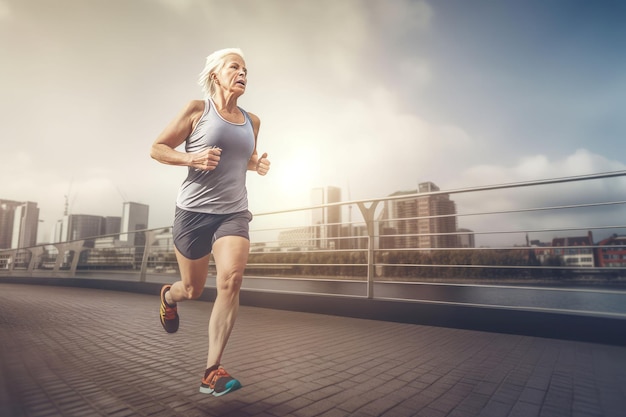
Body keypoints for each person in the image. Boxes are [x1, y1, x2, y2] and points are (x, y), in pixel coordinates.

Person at [150, 47, 270, 397]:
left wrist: (256, 165)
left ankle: (211, 370)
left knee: (231, 279)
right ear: (216, 74)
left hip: (233, 212)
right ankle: (169, 298)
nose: (243, 72)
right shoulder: (197, 110)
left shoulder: (253, 121)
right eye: (235, 67)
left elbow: (242, 160)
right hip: (192, 213)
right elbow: (157, 148)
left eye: (246, 68)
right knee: (193, 289)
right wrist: (191, 157)